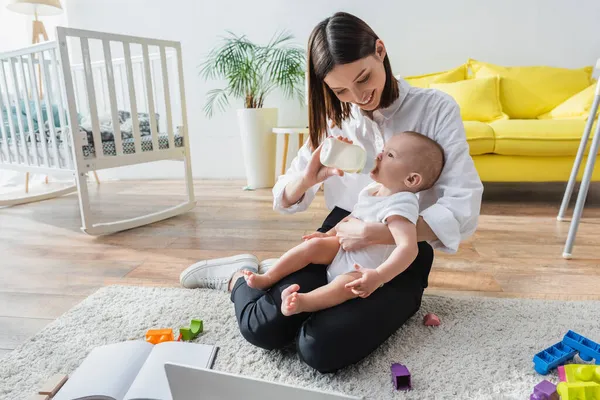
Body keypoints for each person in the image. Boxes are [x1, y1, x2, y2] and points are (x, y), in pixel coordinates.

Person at [179, 11, 483, 373]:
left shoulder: (435, 109)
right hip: (338, 236)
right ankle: (237, 276)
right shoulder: (336, 121)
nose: (358, 96)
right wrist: (308, 178)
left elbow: (464, 203)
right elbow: (284, 196)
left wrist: (376, 233)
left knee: (320, 348)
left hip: (404, 249)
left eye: (363, 78)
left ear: (380, 51)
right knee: (263, 328)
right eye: (340, 90)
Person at [241, 132, 444, 318]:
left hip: (362, 269)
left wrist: (378, 276)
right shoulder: (374, 189)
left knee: (343, 286)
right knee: (313, 246)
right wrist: (328, 234)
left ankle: (302, 302)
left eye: (390, 155)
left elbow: (408, 248)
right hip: (342, 248)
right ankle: (268, 276)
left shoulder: (402, 203)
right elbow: (352, 216)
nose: (379, 155)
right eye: (383, 150)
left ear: (411, 179)